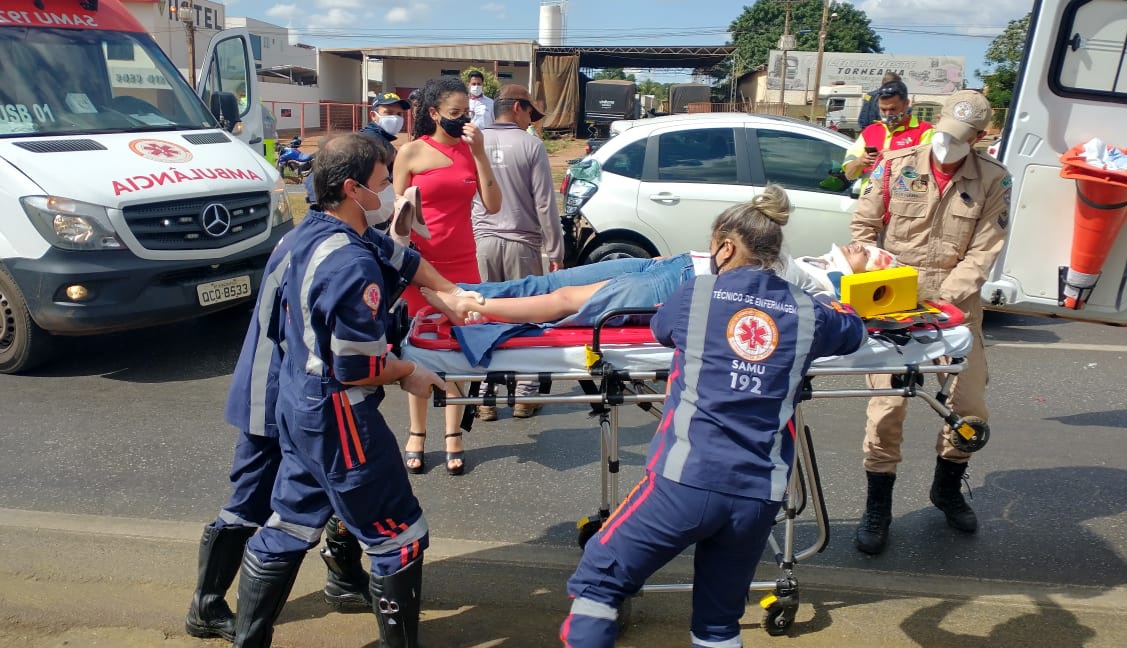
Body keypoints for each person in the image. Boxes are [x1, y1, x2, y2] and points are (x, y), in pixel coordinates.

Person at [184, 133, 476, 640]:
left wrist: (450, 292)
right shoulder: (350, 262)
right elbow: (354, 366)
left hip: (301, 405)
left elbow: (398, 257)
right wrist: (412, 374)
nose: (391, 192)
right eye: (385, 183)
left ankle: (249, 638)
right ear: (352, 188)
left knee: (289, 523)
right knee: (398, 534)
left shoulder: (314, 233)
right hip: (337, 411)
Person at [558, 186, 867, 647]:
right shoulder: (808, 313)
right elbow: (853, 330)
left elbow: (662, 329)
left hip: (685, 482)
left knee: (597, 584)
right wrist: (838, 292)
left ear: (725, 247)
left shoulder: (697, 296)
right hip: (758, 495)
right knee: (718, 624)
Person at [849, 89, 1011, 555]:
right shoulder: (897, 163)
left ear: (981, 137)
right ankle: (877, 506)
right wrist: (878, 270)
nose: (947, 144)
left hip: (955, 309)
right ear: (935, 121)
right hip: (893, 304)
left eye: (961, 139)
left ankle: (946, 486)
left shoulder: (994, 181)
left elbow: (984, 251)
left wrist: (944, 299)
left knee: (969, 405)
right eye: (944, 133)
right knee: (886, 409)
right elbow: (863, 226)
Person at [395, 76, 502, 475]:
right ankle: (416, 432)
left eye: (467, 113)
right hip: (421, 264)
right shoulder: (410, 152)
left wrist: (481, 154)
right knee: (419, 350)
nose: (462, 120)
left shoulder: (472, 150)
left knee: (457, 350)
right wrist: (405, 210)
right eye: (454, 114)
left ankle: (453, 433)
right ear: (435, 113)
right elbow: (396, 211)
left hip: (463, 262)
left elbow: (492, 204)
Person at [471, 83, 563, 420]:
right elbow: (544, 203)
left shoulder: (474, 140)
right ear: (518, 108)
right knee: (527, 317)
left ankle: (485, 397)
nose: (531, 121)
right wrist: (556, 250)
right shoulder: (531, 145)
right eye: (530, 114)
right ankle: (525, 395)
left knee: (486, 315)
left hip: (483, 242)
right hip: (522, 244)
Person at [842, 79, 933, 192]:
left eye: (893, 109)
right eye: (883, 109)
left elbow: (926, 175)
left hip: (904, 204)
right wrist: (860, 162)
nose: (888, 114)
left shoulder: (924, 131)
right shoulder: (869, 132)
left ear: (906, 104)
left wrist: (894, 160)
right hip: (870, 204)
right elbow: (849, 175)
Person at [362, 92, 412, 159]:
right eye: (388, 112)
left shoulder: (377, 138)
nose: (395, 118)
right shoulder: (373, 145)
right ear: (373, 115)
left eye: (399, 114)